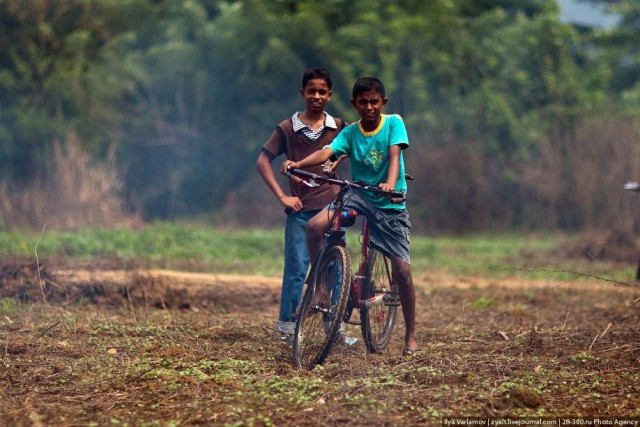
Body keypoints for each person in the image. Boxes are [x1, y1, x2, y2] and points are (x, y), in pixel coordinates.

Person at [282, 76, 420, 355]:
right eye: (363, 102)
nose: (369, 107)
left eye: (374, 102)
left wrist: (391, 184)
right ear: (354, 104)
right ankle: (321, 288)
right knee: (315, 226)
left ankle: (411, 335)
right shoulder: (350, 132)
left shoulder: (394, 123)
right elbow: (327, 152)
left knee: (403, 272)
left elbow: (394, 156)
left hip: (389, 201)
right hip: (358, 194)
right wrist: (298, 163)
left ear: (383, 103)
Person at [256, 67, 347, 342]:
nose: (316, 96)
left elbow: (344, 152)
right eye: (311, 91)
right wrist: (283, 197)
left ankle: (334, 327)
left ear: (330, 95)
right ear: (302, 93)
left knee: (334, 266)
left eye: (322, 92)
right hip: (300, 210)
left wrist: (335, 164)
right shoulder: (287, 128)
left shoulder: (338, 127)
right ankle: (287, 326)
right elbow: (262, 162)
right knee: (297, 268)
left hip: (330, 207)